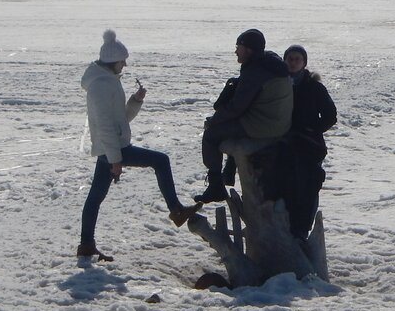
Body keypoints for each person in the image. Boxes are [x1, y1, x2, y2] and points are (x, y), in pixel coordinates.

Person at [78, 30, 201, 260]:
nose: (125, 65)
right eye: (122, 61)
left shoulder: (106, 81)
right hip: (113, 149)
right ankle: (175, 210)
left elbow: (119, 120)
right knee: (161, 161)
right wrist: (115, 160)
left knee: (95, 198)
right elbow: (105, 126)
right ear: (113, 61)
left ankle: (86, 245)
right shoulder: (101, 86)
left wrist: (136, 101)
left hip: (110, 148)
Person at [197, 28, 293, 203]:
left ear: (248, 50)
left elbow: (236, 108)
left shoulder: (256, 71)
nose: (235, 51)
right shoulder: (270, 62)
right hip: (278, 122)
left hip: (264, 126)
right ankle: (228, 170)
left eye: (238, 47)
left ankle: (215, 186)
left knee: (211, 135)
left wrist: (213, 121)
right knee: (228, 126)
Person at [281, 45, 338, 241]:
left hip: (308, 147)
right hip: (281, 147)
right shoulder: (277, 85)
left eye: (297, 59)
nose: (293, 62)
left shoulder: (314, 87)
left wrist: (312, 131)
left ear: (304, 63)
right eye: (290, 58)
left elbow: (330, 115)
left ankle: (301, 231)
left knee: (308, 188)